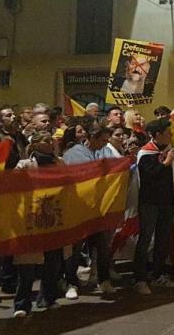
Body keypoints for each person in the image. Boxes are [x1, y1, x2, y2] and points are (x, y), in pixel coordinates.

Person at [12, 132, 66, 318]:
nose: (51, 143)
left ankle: (48, 298)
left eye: (52, 140)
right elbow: (13, 189)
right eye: (46, 141)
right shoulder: (24, 165)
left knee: (52, 261)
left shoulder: (60, 162)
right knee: (27, 265)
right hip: (31, 217)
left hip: (54, 216)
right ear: (34, 145)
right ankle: (22, 303)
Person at [62, 126, 115, 296]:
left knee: (102, 246)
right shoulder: (74, 153)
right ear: (92, 137)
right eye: (102, 140)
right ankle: (71, 282)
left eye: (107, 141)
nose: (105, 144)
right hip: (79, 207)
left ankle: (103, 279)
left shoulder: (103, 151)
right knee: (76, 248)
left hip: (98, 207)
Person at [133, 118, 174, 295]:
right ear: (158, 135)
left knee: (163, 239)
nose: (171, 135)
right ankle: (140, 279)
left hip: (167, 202)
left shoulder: (170, 151)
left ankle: (158, 274)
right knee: (145, 240)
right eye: (168, 132)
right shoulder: (145, 153)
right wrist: (166, 164)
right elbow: (149, 177)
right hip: (149, 203)